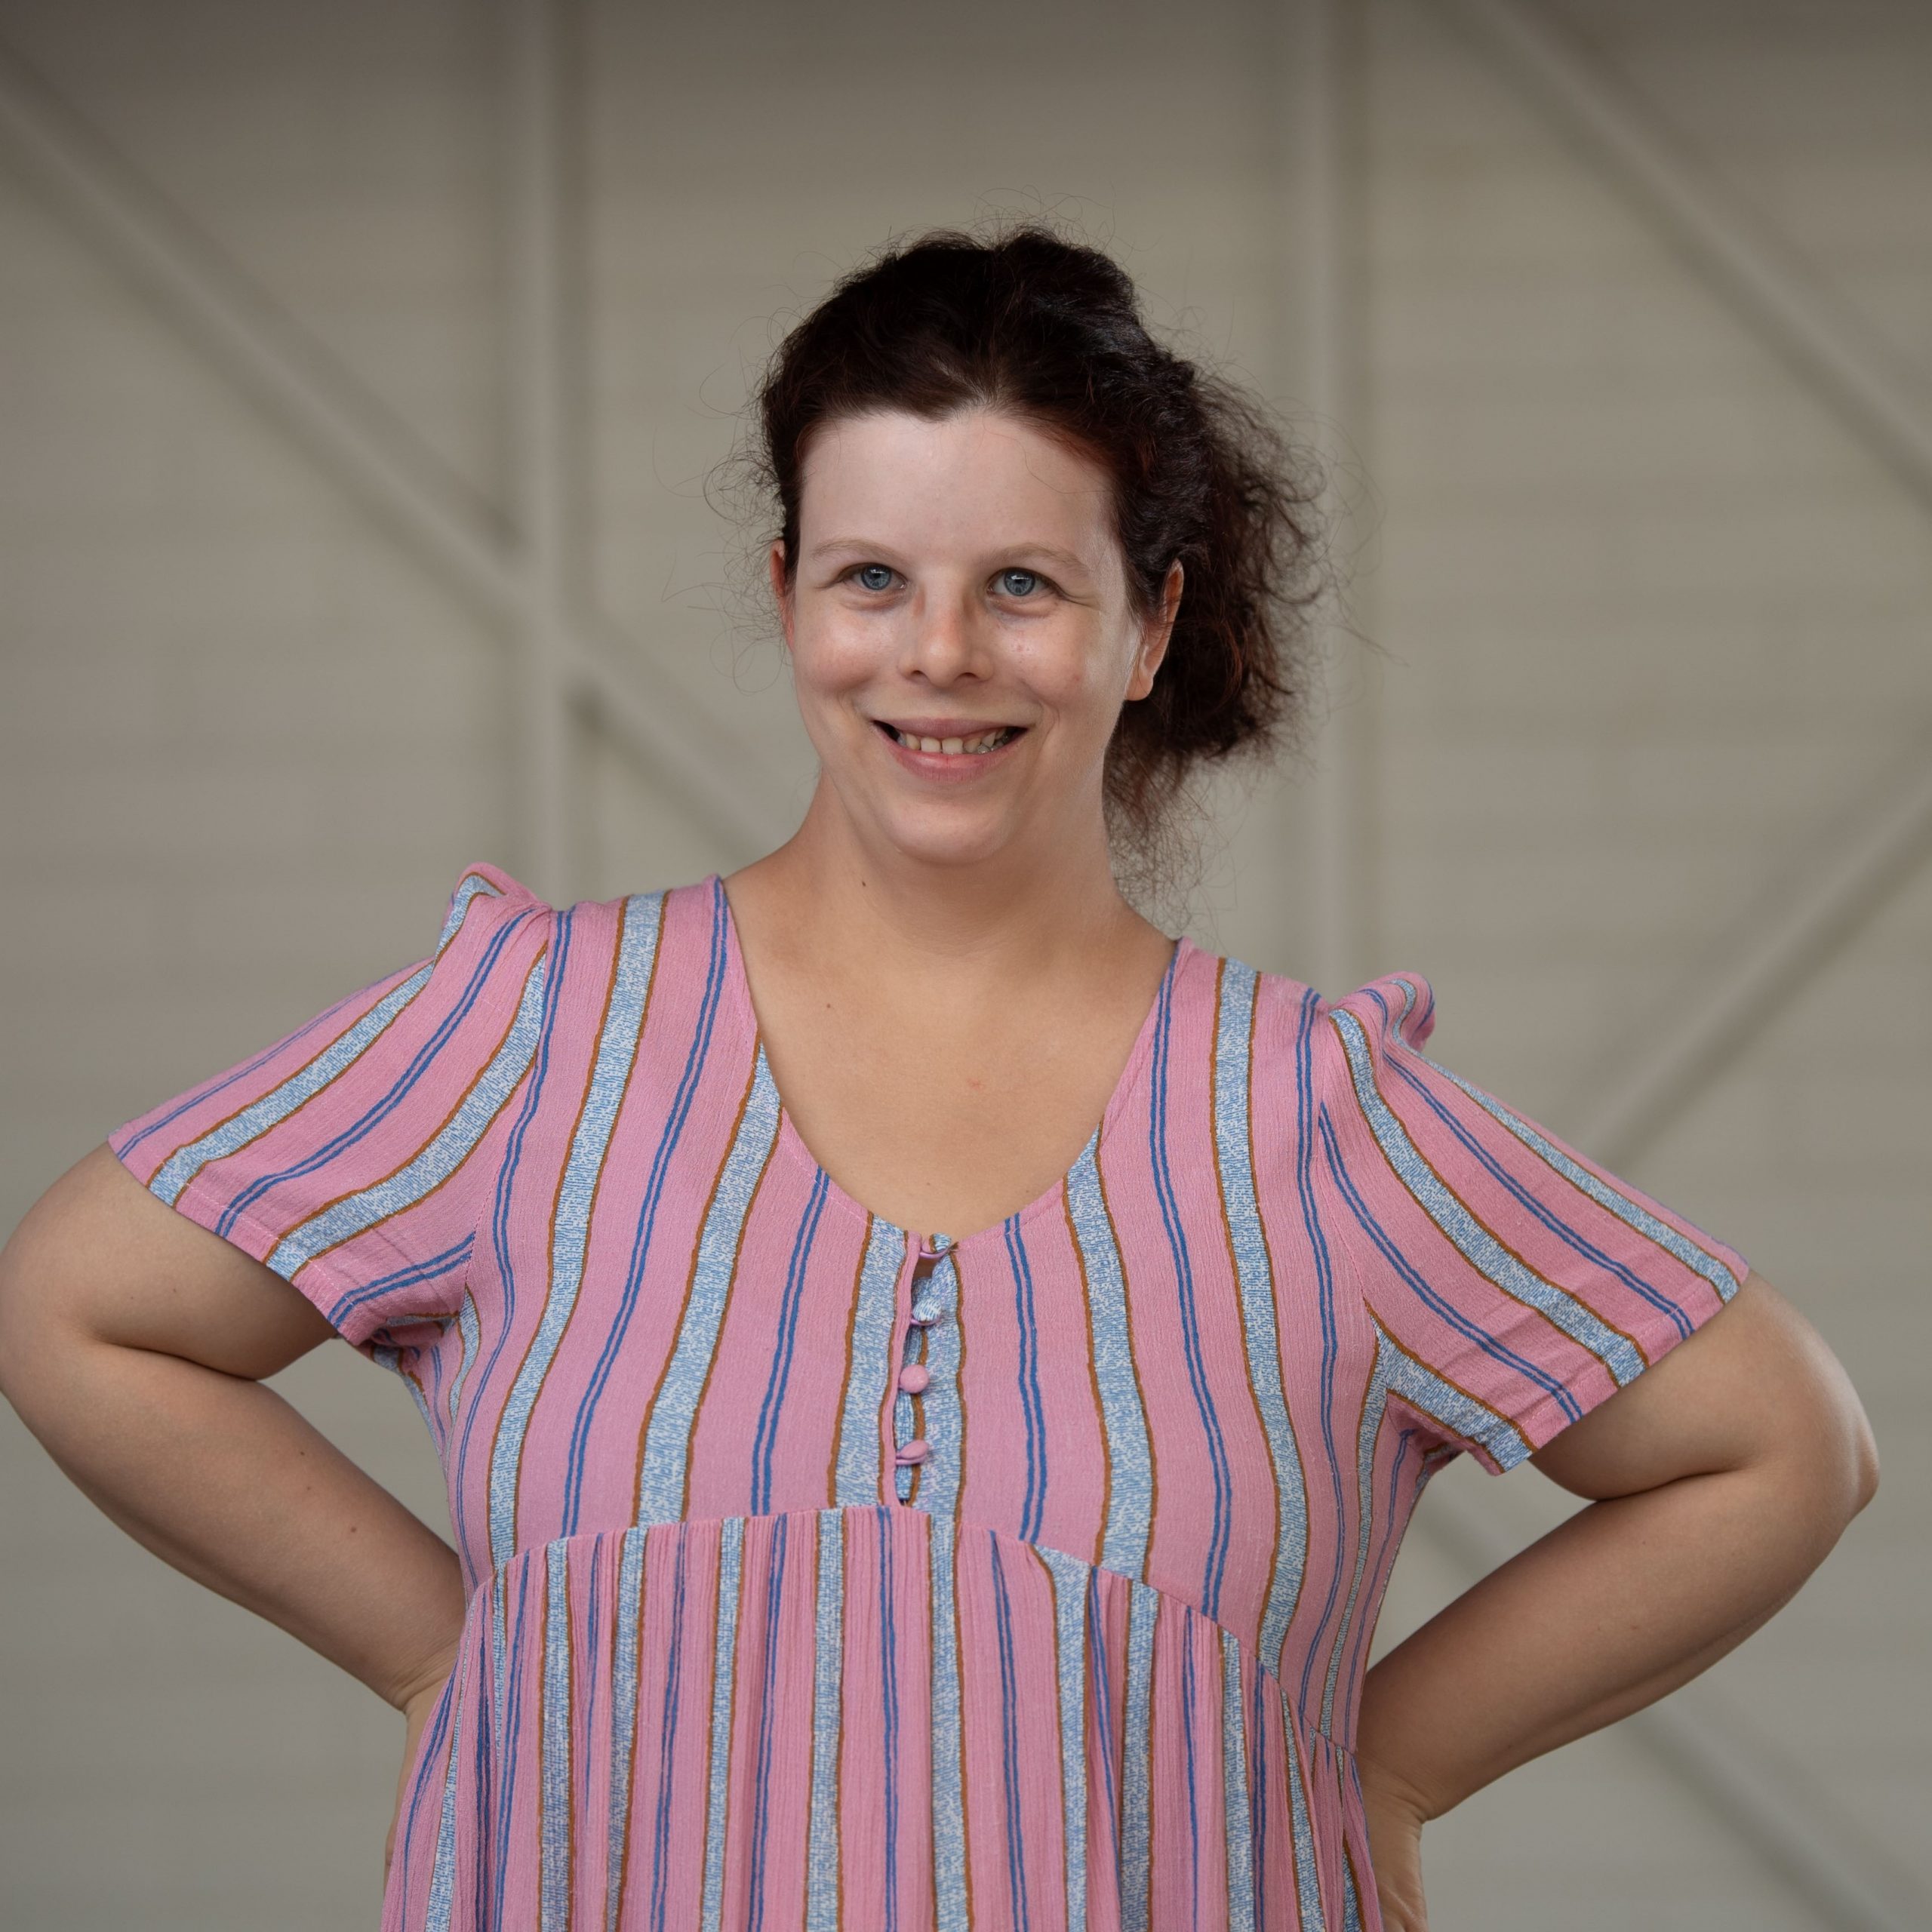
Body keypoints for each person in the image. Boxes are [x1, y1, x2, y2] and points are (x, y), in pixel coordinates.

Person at [0, 221, 1878, 1932]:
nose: (940, 654)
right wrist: (448, 1658)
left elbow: (1783, 1440)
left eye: (1024, 586)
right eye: (872, 575)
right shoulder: (534, 1035)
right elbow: (78, 1303)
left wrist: (1379, 1766)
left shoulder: (1310, 1121)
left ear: (1147, 624)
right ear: (788, 594)